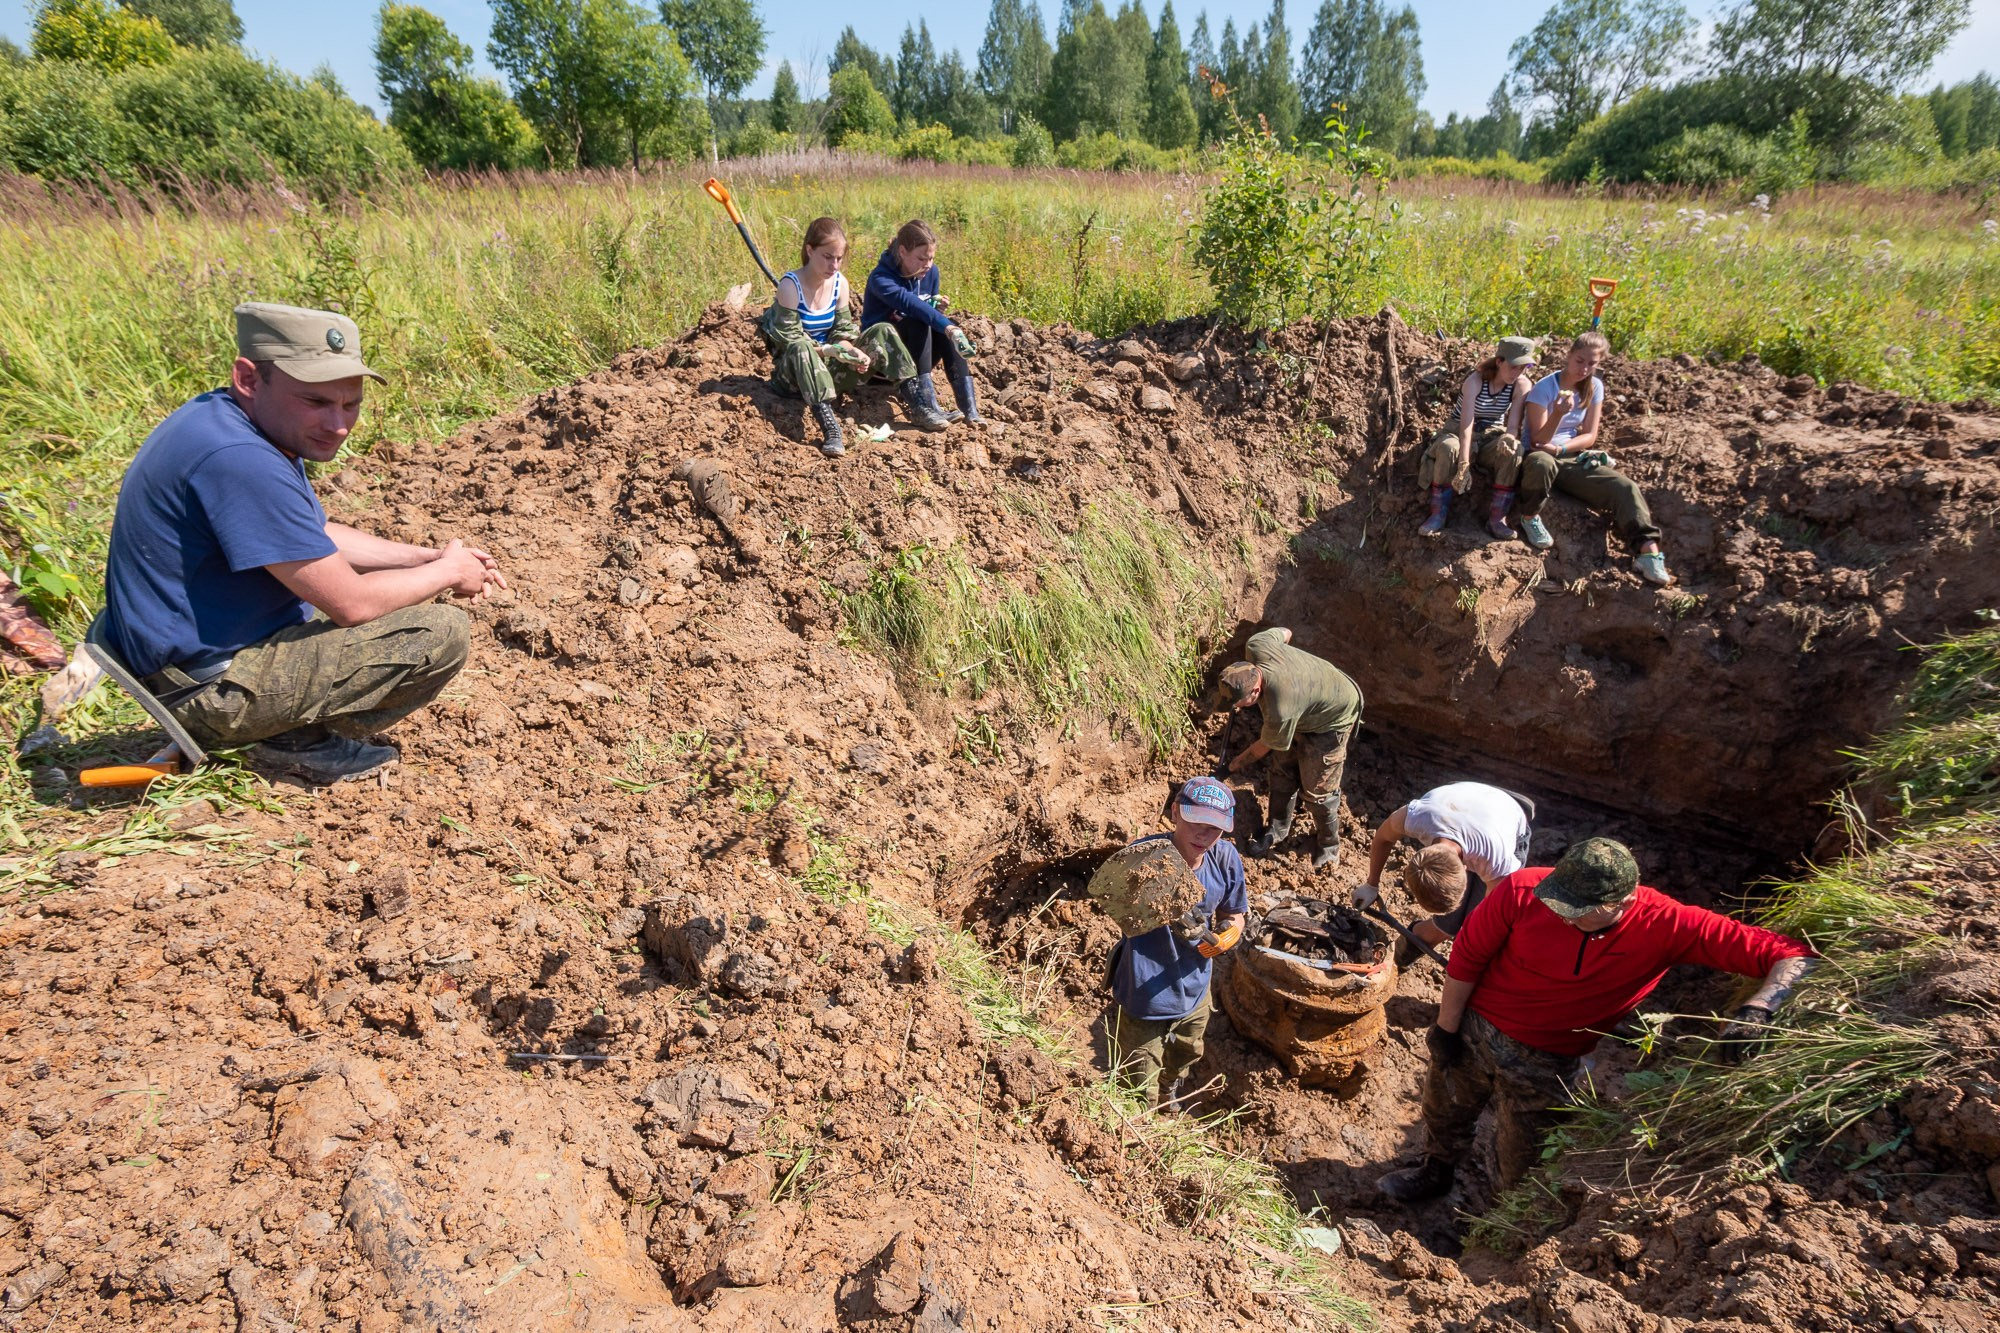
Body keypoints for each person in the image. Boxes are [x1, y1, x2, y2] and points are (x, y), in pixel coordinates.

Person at [99, 303, 506, 786]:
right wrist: (448, 573)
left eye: (350, 404)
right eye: (316, 402)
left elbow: (313, 534)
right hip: (211, 689)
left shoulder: (231, 422)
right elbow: (352, 604)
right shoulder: (240, 458)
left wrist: (426, 558)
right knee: (438, 632)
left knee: (398, 597)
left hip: (192, 665)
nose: (338, 425)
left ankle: (267, 730)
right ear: (249, 378)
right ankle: (282, 741)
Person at [1377, 837, 1814, 1203]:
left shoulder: (1667, 925)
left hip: (1549, 1059)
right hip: (1477, 1028)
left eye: (1578, 908)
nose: (1561, 912)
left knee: (1525, 1155)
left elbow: (1792, 955)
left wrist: (1760, 1007)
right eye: (1560, 899)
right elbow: (1467, 958)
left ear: (1624, 900)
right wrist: (1446, 1029)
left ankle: (1498, 1223)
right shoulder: (1524, 890)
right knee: (1445, 1107)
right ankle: (1435, 1171)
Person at [1109, 777, 1248, 1110]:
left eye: (1214, 828)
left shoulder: (1225, 858)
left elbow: (1234, 912)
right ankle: (1140, 1117)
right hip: (1146, 987)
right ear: (1175, 813)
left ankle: (1169, 1088)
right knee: (1138, 1074)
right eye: (1195, 823)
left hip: (1196, 985)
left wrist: (1230, 933)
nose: (1203, 835)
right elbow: (1116, 904)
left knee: (1187, 1050)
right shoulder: (1147, 858)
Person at [759, 216, 948, 458]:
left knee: (883, 330)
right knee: (801, 349)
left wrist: (850, 350)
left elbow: (842, 330)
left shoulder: (840, 284)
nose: (834, 265)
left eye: (839, 259)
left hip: (830, 367)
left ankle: (919, 405)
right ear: (810, 250)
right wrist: (829, 351)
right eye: (828, 257)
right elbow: (789, 342)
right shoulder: (790, 286)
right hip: (793, 376)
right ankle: (830, 429)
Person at [1516, 332, 1674, 587]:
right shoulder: (1545, 388)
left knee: (1624, 487)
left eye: (1592, 363)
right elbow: (1537, 441)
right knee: (1541, 462)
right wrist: (1558, 413)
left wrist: (1562, 449)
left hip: (1568, 455)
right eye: (1580, 361)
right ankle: (1529, 517)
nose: (1584, 369)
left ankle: (1648, 553)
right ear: (1569, 355)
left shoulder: (1594, 387)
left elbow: (1590, 436)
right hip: (1539, 455)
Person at [1212, 627, 1364, 872]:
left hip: (1334, 716)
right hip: (1308, 700)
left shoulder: (1280, 708)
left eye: (1239, 702)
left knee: (1318, 790)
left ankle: (1329, 845)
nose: (1236, 707)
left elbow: (1261, 748)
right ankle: (1277, 829)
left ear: (1255, 691)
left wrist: (1230, 768)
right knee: (1282, 769)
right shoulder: (1257, 644)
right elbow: (1286, 632)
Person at [1353, 781, 1534, 954]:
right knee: (1445, 927)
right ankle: (1399, 960)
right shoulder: (1417, 817)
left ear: (1466, 868)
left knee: (1474, 926)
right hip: (1456, 799)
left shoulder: (1498, 862)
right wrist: (1371, 884)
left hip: (1506, 810)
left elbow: (1491, 920)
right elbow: (1383, 838)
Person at [860, 219, 982, 427]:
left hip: (914, 359)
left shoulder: (930, 273)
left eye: (931, 258)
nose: (927, 264)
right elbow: (911, 305)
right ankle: (926, 408)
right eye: (921, 258)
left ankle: (970, 410)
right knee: (921, 323)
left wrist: (936, 310)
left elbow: (925, 311)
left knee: (942, 326)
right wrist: (948, 327)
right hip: (880, 365)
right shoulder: (881, 279)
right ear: (902, 251)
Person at [1417, 336, 1538, 539]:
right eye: (1514, 367)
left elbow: (1513, 424)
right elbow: (1466, 426)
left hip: (1491, 434)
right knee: (1448, 449)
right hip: (1457, 431)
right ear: (1499, 362)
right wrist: (1463, 465)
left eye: (1523, 367)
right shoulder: (1475, 381)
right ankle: (1438, 514)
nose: (1518, 373)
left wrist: (1509, 438)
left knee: (1515, 450)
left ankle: (1497, 519)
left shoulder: (1522, 384)